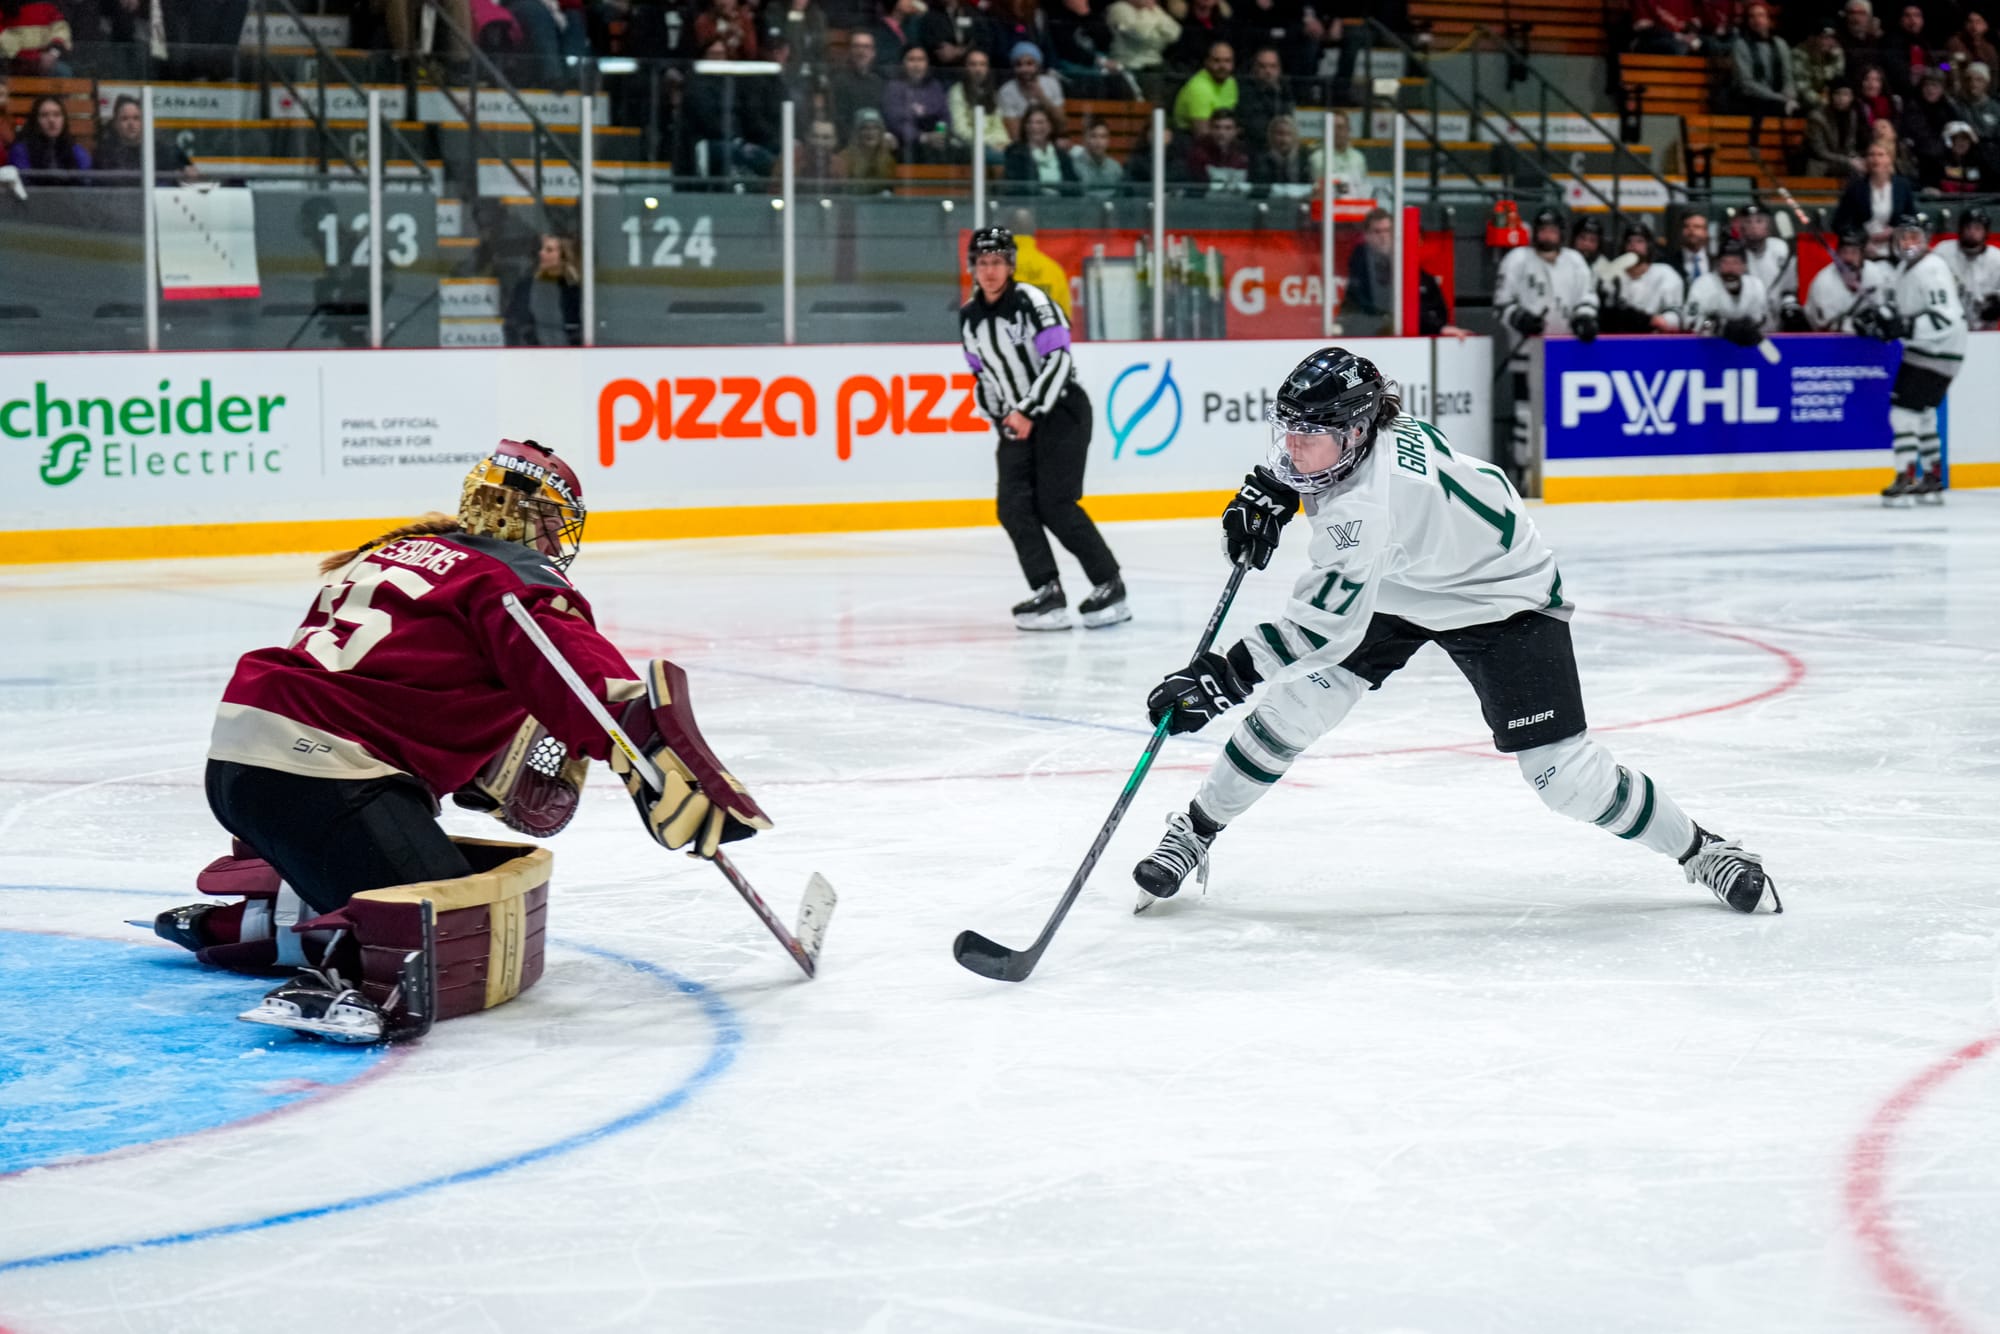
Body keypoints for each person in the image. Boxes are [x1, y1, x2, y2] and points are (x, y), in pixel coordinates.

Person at [156, 438, 770, 1041]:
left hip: (245, 761)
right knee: (452, 926)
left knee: (419, 875)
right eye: (556, 525)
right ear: (538, 521)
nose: (557, 542)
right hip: (326, 775)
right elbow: (581, 681)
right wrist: (650, 760)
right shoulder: (510, 577)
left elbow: (414, 677)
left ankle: (255, 919)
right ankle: (341, 979)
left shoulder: (402, 550)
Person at [1129, 348, 1777, 917]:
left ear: (1355, 431)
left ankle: (1704, 850)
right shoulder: (1371, 438)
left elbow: (1321, 629)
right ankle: (1195, 830)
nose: (1293, 446)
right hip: (1409, 573)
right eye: (1288, 430)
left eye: (1310, 433)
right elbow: (1330, 488)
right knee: (1298, 707)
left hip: (1501, 593)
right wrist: (1278, 487)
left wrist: (1225, 679)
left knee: (1566, 778)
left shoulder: (1366, 513)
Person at [958, 226, 1128, 631]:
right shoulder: (969, 318)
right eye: (983, 263)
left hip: (1061, 411)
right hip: (1016, 420)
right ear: (973, 268)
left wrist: (1029, 410)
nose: (990, 270)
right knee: (1012, 506)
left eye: (998, 261)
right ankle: (1048, 591)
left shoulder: (1032, 301)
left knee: (1056, 502)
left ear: (1011, 265)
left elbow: (1059, 360)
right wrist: (1001, 415)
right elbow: (982, 375)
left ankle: (1110, 585)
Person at [1857, 213, 1964, 502]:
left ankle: (1905, 475)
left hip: (1937, 350)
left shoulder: (1930, 269)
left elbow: (1946, 319)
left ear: (1926, 239)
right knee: (1923, 413)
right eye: (1902, 236)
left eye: (1914, 236)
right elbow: (1904, 312)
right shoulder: (1908, 268)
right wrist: (1881, 319)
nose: (1907, 242)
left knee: (1902, 412)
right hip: (1931, 350)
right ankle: (1932, 474)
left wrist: (1904, 326)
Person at [1496, 208, 1598, 475]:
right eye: (1543, 230)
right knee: (1524, 415)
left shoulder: (1575, 261)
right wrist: (1520, 318)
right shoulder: (1517, 259)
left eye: (1552, 230)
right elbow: (1501, 303)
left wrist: (1585, 318)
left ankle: (1560, 470)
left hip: (1564, 354)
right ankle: (1523, 470)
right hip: (1526, 354)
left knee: (1561, 414)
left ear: (1561, 233)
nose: (1547, 235)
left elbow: (1587, 296)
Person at [1680, 237, 1772, 347]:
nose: (1730, 269)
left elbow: (1765, 322)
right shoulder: (1703, 285)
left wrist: (1752, 326)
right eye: (1725, 262)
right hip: (1709, 350)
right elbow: (1690, 321)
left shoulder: (1756, 286)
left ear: (1744, 266)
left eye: (1735, 263)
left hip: (1748, 352)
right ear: (1718, 264)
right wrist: (1719, 326)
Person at [1597, 222, 1685, 333]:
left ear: (1649, 246)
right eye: (1629, 241)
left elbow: (1676, 314)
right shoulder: (1612, 275)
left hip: (1654, 339)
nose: (1633, 246)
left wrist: (1659, 321)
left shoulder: (1665, 274)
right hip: (1620, 339)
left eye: (1639, 241)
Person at [91, 93, 199, 183]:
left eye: (136, 118)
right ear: (115, 124)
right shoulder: (105, 153)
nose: (131, 124)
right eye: (124, 119)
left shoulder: (163, 150)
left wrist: (188, 175)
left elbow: (191, 173)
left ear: (144, 122)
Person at [1832, 140, 1916, 251]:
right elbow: (1839, 224)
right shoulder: (1855, 188)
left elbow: (1911, 218)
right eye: (1871, 155)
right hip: (1862, 249)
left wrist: (1895, 231)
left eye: (1880, 155)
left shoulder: (1902, 186)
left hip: (1895, 249)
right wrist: (1864, 238)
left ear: (1890, 159)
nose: (1876, 159)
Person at [1805, 226, 1891, 330]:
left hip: (1869, 340)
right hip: (1832, 342)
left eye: (1854, 253)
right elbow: (1825, 328)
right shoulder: (1823, 283)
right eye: (1844, 252)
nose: (1848, 258)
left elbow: (1882, 309)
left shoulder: (1876, 273)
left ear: (1862, 256)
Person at [883, 43, 952, 161]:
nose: (916, 65)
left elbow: (945, 116)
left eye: (921, 60)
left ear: (927, 64)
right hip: (908, 144)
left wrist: (940, 134)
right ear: (903, 64)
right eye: (911, 60)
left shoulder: (935, 86)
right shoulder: (894, 87)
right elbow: (896, 123)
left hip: (936, 142)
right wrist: (923, 137)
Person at [1937, 203, 2000, 329]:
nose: (1972, 232)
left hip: (1984, 328)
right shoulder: (1943, 251)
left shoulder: (1996, 258)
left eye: (1977, 228)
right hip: (1948, 326)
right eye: (1968, 228)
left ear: (1986, 232)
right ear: (1960, 230)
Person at [1736, 202, 1797, 328]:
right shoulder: (1736, 254)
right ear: (1741, 227)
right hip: (1747, 324)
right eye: (1748, 222)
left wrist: (1790, 306)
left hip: (1778, 320)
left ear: (1768, 225)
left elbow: (1790, 287)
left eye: (1759, 221)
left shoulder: (1781, 249)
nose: (1754, 226)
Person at [1732, 2, 1798, 116]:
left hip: (1779, 98)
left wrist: (1789, 95)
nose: (1757, 20)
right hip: (1751, 99)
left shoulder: (1780, 44)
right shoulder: (1740, 45)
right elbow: (1746, 84)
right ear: (1747, 22)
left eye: (1761, 15)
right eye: (1752, 16)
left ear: (1768, 20)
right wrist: (1778, 98)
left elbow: (1788, 76)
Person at [950, 47, 1013, 166]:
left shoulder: (992, 93)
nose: (978, 69)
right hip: (967, 147)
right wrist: (990, 142)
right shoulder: (957, 91)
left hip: (992, 145)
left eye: (982, 64)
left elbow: (999, 126)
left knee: (1017, 154)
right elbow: (960, 130)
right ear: (965, 68)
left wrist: (1004, 143)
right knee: (1005, 160)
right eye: (973, 64)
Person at [1340, 205, 1394, 333]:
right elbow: (1360, 297)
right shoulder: (1360, 258)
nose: (1383, 236)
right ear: (1367, 235)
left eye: (1387, 230)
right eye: (1377, 231)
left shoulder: (1403, 257)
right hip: (1363, 325)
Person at [1003, 104, 1079, 194]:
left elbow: (1074, 187)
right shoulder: (1015, 153)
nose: (1034, 127)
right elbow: (1014, 189)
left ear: (1050, 126)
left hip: (1060, 205)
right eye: (1029, 122)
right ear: (1025, 126)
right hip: (1030, 204)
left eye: (1040, 122)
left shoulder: (1062, 155)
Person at [997, 41, 1066, 140]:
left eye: (1029, 64)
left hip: (1052, 140)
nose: (1024, 69)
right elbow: (1014, 135)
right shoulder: (1006, 91)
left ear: (1038, 66)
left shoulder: (1052, 84)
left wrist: (1042, 97)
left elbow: (1061, 125)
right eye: (1019, 65)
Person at [6, 92, 88, 176]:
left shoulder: (76, 151)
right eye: (44, 115)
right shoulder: (21, 151)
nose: (51, 120)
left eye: (57, 114)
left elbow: (87, 183)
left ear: (64, 119)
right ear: (35, 120)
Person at [827, 29, 886, 143]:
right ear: (849, 51)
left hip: (875, 144)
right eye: (857, 46)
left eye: (866, 47)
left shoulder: (879, 82)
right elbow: (838, 119)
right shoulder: (838, 81)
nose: (861, 51)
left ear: (873, 52)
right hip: (848, 146)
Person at [1234, 45, 1293, 153]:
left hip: (1280, 149)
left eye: (1272, 66)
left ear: (1279, 69)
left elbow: (1289, 123)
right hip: (1254, 150)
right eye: (1262, 66)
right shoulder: (1245, 93)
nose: (1268, 71)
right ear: (1254, 69)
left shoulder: (1285, 92)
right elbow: (1254, 128)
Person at [1173, 40, 1237, 135]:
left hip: (1221, 136)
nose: (1222, 66)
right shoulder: (1198, 88)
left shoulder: (1231, 82)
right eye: (1216, 60)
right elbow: (1202, 134)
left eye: (1227, 61)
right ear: (1207, 62)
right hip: (1190, 139)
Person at [1805, 80, 1868, 177]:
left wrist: (1857, 159)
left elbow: (1850, 146)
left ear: (1851, 97)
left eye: (1845, 94)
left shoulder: (1852, 115)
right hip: (1821, 164)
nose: (1841, 98)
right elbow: (1820, 152)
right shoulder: (1817, 117)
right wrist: (1849, 161)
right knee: (1853, 171)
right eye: (1837, 94)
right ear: (1831, 96)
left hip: (1840, 163)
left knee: (1868, 167)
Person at [1183, 105, 1249, 194]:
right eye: (1217, 127)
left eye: (1228, 128)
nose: (1221, 133)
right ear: (1210, 129)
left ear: (1237, 131)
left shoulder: (1245, 155)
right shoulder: (1198, 155)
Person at [1108, 0, 1181, 74]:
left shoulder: (1155, 10)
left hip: (1155, 64)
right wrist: (1147, 12)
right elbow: (1141, 35)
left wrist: (1152, 14)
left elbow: (1174, 34)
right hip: (1128, 65)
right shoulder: (1119, 9)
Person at [1250, 112, 1313, 198]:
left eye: (1288, 134)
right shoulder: (1260, 159)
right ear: (1271, 135)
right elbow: (1257, 190)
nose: (1284, 139)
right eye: (1280, 134)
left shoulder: (1304, 159)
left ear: (1295, 136)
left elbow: (1309, 188)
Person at [0, 0, 71, 73]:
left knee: (63, 72)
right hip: (10, 63)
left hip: (45, 63)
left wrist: (53, 53)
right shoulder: (5, 6)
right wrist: (21, 57)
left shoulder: (51, 5)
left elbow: (61, 30)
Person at [1312, 107, 1368, 198]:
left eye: (1340, 127)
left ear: (1349, 130)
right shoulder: (1317, 158)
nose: (1336, 132)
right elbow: (1318, 192)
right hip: (1326, 208)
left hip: (1353, 208)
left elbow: (1361, 190)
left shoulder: (1359, 158)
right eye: (1332, 128)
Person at [834, 106, 898, 185]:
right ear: (856, 133)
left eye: (875, 128)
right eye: (864, 128)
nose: (870, 133)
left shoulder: (888, 159)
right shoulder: (844, 159)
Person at [1927, 119, 1992, 193]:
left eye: (1966, 139)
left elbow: (1990, 184)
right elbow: (1928, 184)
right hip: (1945, 203)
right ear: (1947, 141)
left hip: (1976, 203)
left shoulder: (1979, 162)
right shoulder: (1936, 163)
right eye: (1957, 139)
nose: (1962, 143)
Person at [1793, 28, 1847, 111]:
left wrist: (1834, 58)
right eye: (1825, 38)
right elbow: (1803, 88)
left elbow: (1837, 82)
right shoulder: (1800, 54)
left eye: (1832, 38)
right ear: (1814, 38)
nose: (1829, 42)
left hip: (1829, 101)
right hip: (1805, 102)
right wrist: (1823, 101)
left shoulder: (1836, 53)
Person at [1070, 117, 1128, 195]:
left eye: (1103, 137)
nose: (1098, 141)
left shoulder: (1115, 168)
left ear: (1108, 140)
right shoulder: (1075, 167)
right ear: (1085, 139)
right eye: (1093, 136)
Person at [1668, 209, 1712, 283]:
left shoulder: (1716, 262)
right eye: (1686, 226)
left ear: (1706, 232)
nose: (1691, 230)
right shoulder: (1669, 263)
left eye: (1697, 227)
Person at [1963, 61, 2000, 140]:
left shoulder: (1996, 109)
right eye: (1969, 79)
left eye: (1979, 80)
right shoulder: (1960, 107)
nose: (1973, 84)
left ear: (1986, 83)